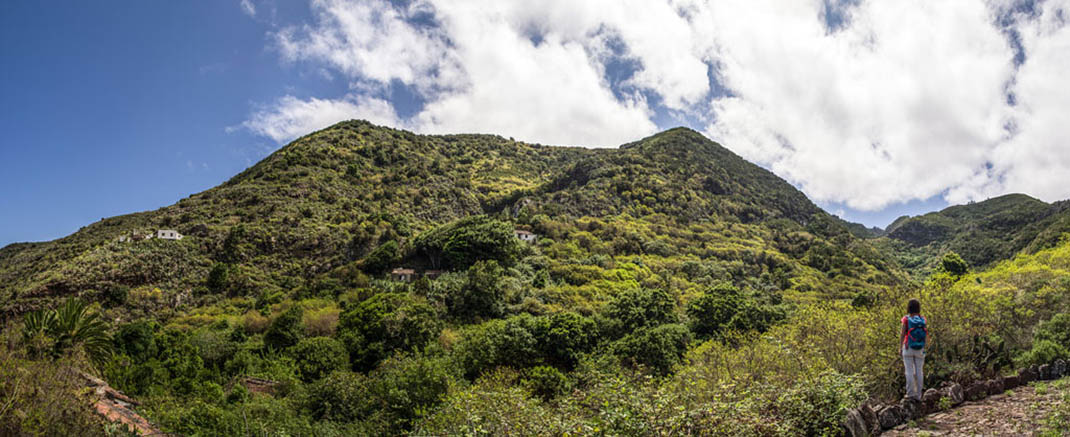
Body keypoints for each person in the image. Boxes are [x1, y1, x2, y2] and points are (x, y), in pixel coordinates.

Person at [900, 298, 928, 401]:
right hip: (920, 348)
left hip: (908, 347)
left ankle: (910, 394)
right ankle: (919, 395)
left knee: (909, 371)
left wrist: (900, 347)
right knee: (919, 372)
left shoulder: (906, 319)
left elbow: (902, 334)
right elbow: (925, 334)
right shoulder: (923, 319)